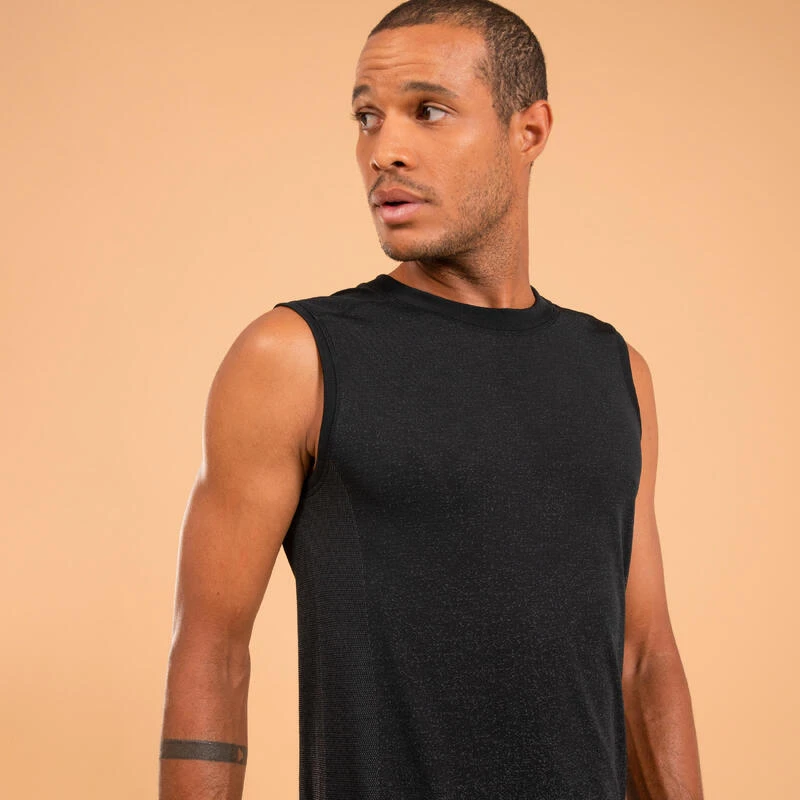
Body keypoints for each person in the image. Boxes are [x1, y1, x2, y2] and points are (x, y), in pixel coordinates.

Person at [158, 1, 705, 798]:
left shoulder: (616, 370)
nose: (385, 150)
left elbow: (644, 658)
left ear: (530, 130)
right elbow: (211, 649)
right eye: (367, 117)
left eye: (429, 111)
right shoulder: (295, 358)